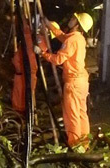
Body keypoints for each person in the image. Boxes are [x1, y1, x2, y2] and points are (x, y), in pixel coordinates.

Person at [35, 12, 93, 150]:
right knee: (81, 113)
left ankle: (75, 146)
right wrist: (50, 26)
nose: (71, 19)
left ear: (78, 25)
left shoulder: (71, 40)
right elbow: (63, 37)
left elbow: (58, 60)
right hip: (82, 81)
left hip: (73, 82)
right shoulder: (78, 38)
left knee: (71, 116)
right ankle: (84, 144)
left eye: (74, 18)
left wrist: (42, 53)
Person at [11, 20, 38, 113]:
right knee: (20, 98)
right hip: (22, 73)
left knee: (22, 99)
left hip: (25, 74)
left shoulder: (35, 41)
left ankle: (22, 116)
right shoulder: (33, 40)